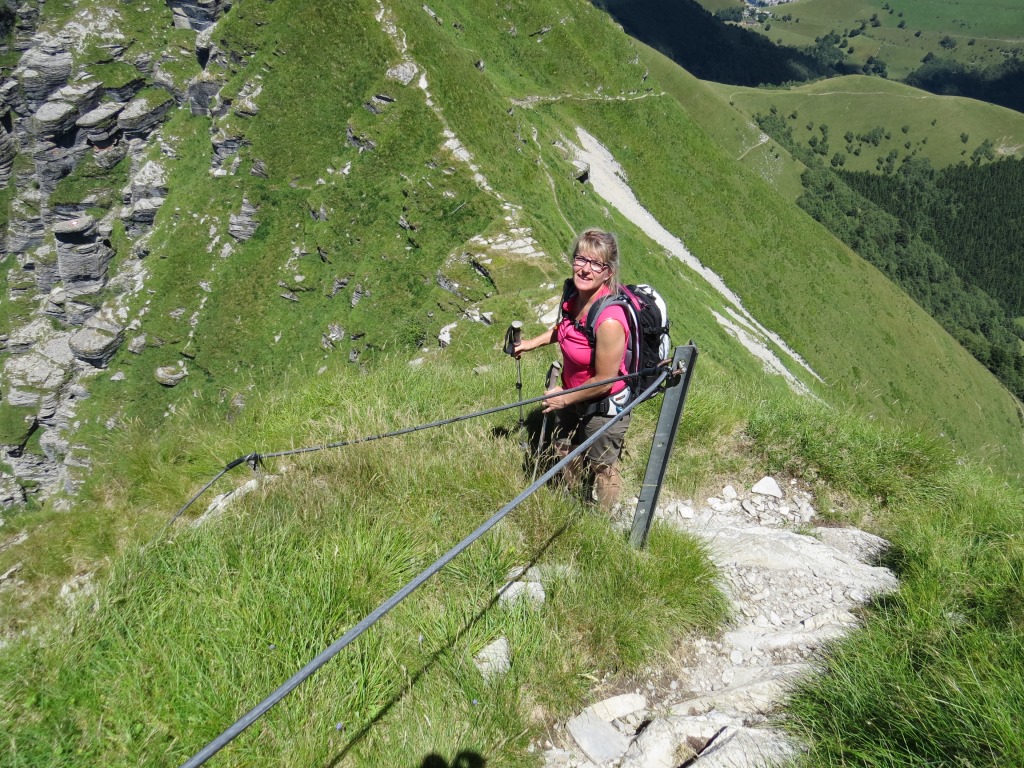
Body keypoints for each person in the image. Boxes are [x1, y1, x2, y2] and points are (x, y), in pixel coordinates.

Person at [514, 228, 631, 512]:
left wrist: (563, 398)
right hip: (570, 391)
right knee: (563, 446)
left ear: (608, 273)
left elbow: (605, 381)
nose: (585, 269)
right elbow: (566, 329)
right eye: (581, 259)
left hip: (604, 403)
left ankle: (603, 518)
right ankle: (575, 498)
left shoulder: (610, 321)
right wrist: (530, 343)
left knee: (602, 464)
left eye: (596, 264)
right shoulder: (573, 294)